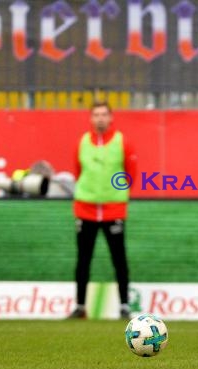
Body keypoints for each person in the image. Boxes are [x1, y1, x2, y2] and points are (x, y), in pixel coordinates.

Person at [67, 101, 137, 320]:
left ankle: (124, 306)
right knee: (83, 259)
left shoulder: (121, 141)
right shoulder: (82, 142)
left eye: (104, 114)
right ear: (90, 118)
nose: (100, 118)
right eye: (96, 114)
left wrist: (115, 194)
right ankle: (80, 306)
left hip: (113, 210)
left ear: (111, 117)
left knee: (119, 259)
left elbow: (131, 173)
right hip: (85, 209)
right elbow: (78, 172)